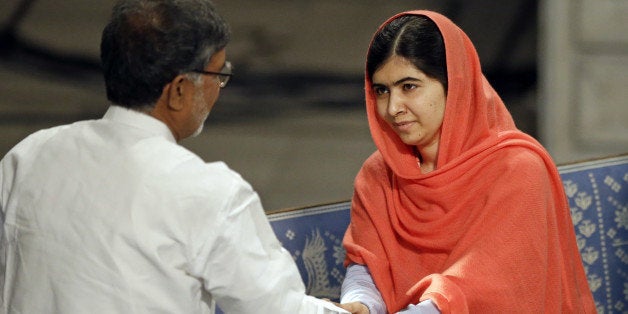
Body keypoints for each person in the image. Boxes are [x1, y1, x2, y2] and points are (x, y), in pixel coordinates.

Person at [0, 1, 349, 313]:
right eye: (218, 75)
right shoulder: (209, 194)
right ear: (180, 90)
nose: (218, 88)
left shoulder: (28, 156)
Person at [337, 10, 596, 314]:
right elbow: (366, 262)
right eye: (382, 91)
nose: (393, 108)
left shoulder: (518, 169)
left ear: (456, 85)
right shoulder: (378, 175)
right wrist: (361, 303)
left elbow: (488, 285)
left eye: (409, 86)